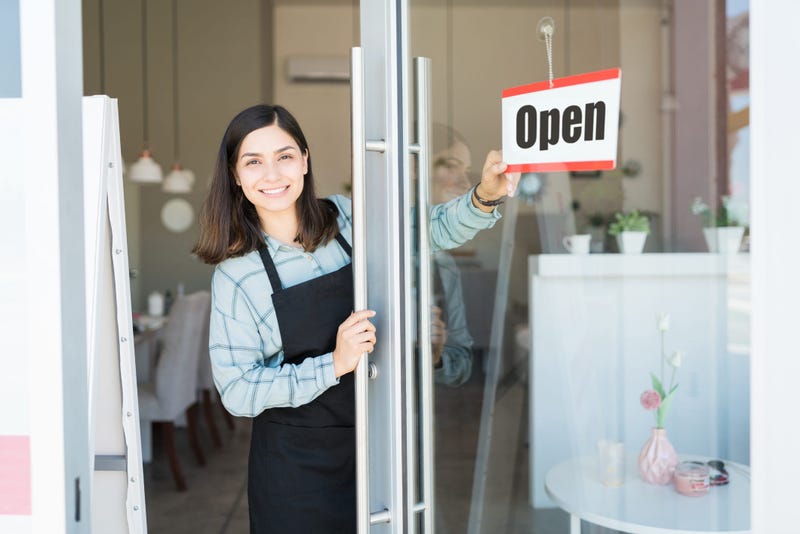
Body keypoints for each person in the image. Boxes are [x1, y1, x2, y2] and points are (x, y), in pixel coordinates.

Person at [192, 104, 519, 533]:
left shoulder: (345, 217)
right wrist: (332, 364)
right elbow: (236, 390)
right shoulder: (237, 275)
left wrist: (485, 195)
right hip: (294, 473)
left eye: (285, 156)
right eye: (253, 161)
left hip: (374, 446)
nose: (272, 175)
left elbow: (428, 230)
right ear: (236, 175)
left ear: (305, 160)